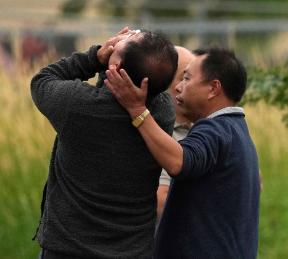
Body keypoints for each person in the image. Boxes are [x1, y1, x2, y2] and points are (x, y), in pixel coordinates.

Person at [30, 28, 178, 258]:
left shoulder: (77, 107)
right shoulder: (162, 112)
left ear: (116, 68)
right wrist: (114, 63)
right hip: (133, 250)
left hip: (69, 249)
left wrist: (95, 57)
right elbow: (121, 96)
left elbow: (42, 80)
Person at [105, 47, 260, 258]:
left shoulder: (215, 130)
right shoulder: (238, 132)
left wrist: (137, 110)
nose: (178, 87)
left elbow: (180, 161)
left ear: (213, 88)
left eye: (186, 79)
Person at [156, 46, 195, 222]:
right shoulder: (159, 134)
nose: (188, 86)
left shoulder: (209, 125)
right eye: (185, 78)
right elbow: (161, 202)